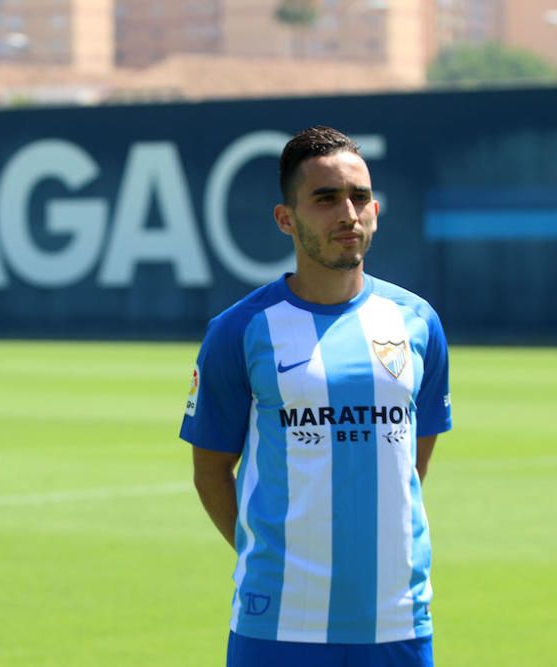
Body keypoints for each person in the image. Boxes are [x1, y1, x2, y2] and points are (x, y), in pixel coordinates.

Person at [179, 126, 451, 667]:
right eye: (325, 199)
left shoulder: (417, 322)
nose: (347, 213)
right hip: (278, 620)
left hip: (397, 617)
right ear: (287, 219)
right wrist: (271, 558)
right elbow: (211, 469)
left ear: (374, 208)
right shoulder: (240, 331)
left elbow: (410, 462)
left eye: (358, 197)